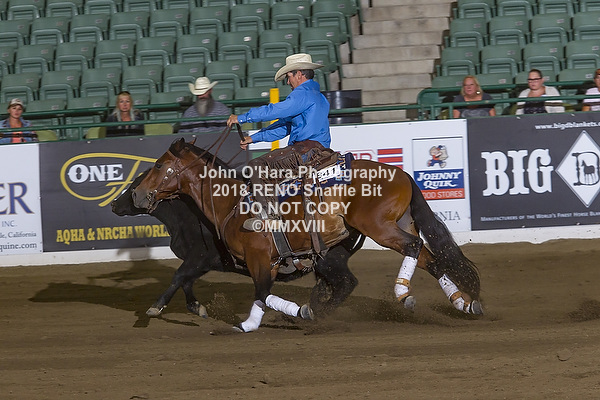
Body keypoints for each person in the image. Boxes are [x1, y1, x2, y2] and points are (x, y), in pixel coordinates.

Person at [226, 53, 331, 229]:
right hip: (321, 150)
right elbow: (284, 126)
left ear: (299, 74)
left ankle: (269, 217)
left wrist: (242, 118)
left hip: (305, 151)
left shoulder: (301, 94)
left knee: (256, 166)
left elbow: (274, 111)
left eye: (289, 77)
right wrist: (253, 138)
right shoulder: (318, 96)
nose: (288, 82)